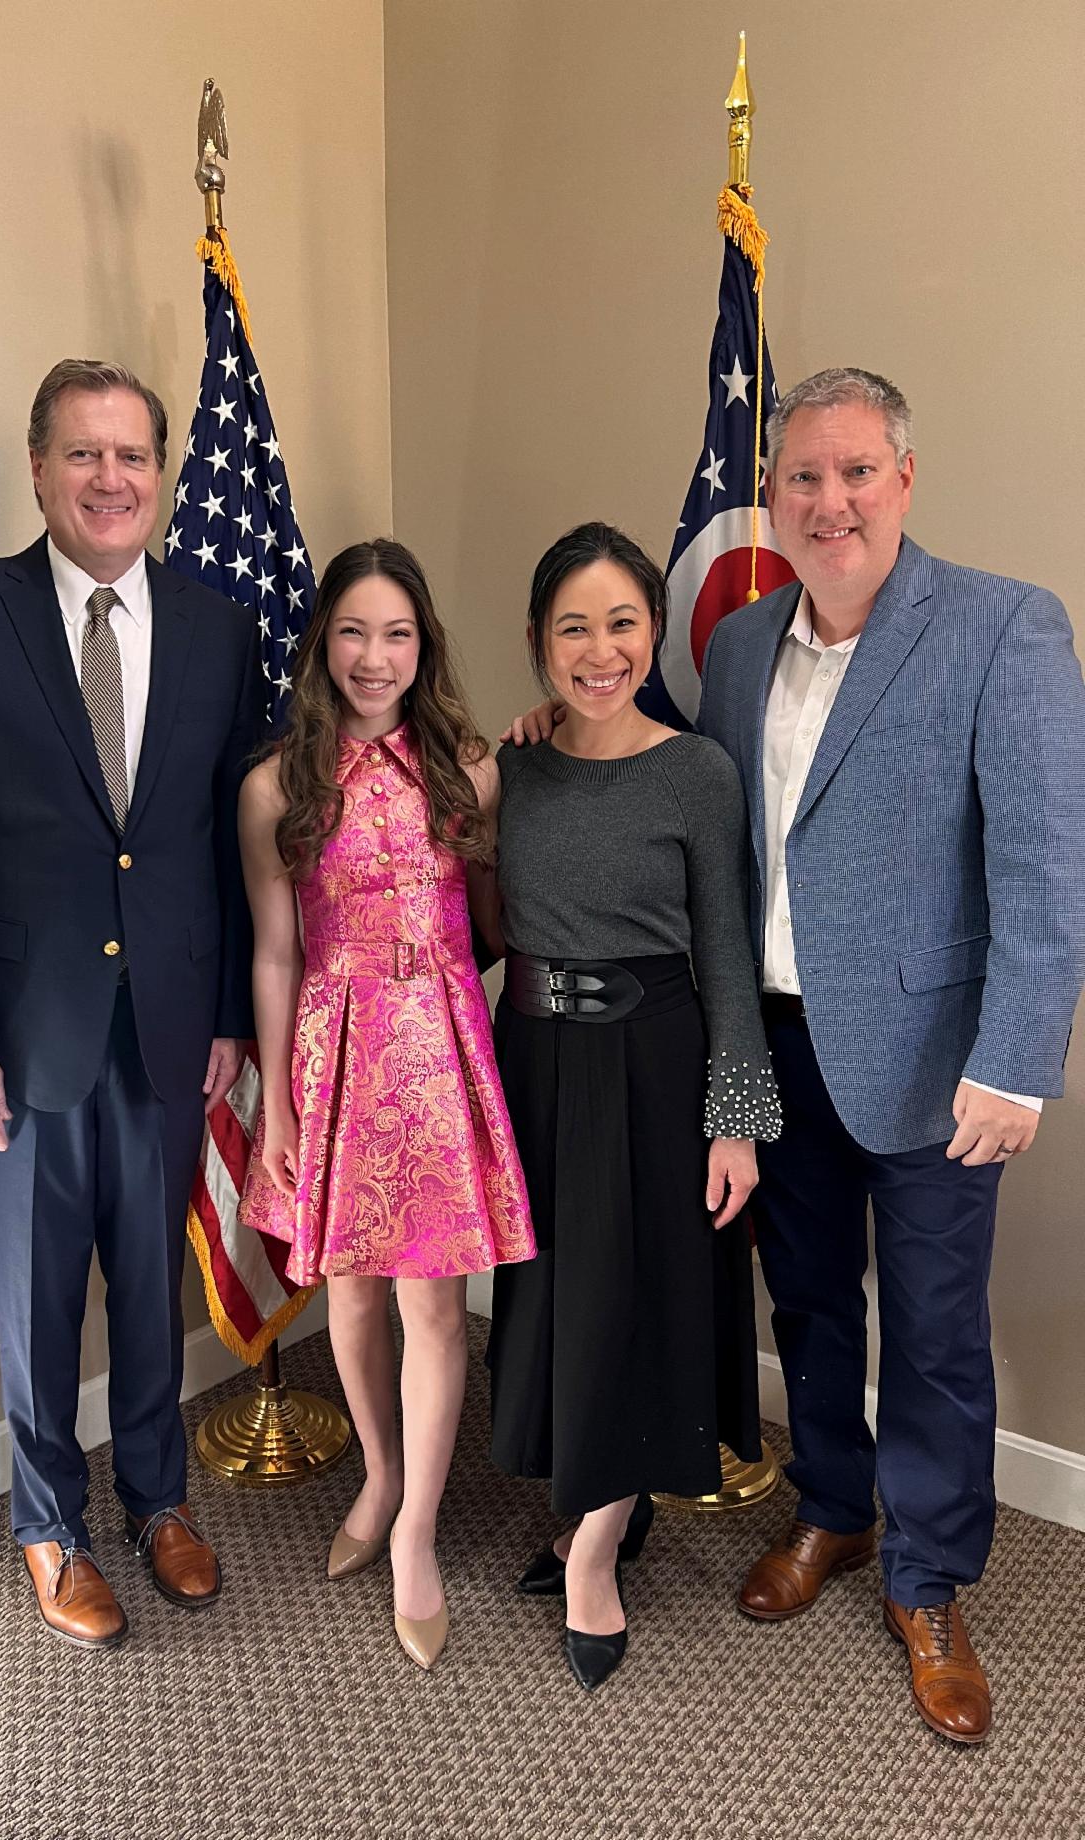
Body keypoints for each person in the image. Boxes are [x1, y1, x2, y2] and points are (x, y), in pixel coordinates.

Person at [508, 370, 1085, 1740]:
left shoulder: (1004, 628)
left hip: (938, 1062)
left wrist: (1017, 1062)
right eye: (804, 477)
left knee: (936, 1335)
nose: (829, 501)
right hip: (772, 1047)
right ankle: (835, 1510)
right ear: (774, 493)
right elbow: (677, 807)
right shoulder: (747, 641)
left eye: (856, 473)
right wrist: (552, 731)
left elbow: (1048, 868)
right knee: (811, 1305)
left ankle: (931, 1578)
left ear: (903, 478)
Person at [0, 360, 261, 1649]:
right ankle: (50, 1525)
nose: (113, 478)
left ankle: (159, 1498)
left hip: (167, 1027)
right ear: (38, 468)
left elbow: (219, 837)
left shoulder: (218, 627)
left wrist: (226, 1017)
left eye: (133, 456)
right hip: (19, 1037)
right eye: (85, 454)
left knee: (152, 1284)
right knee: (40, 1298)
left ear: (161, 474)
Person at [487, 522, 780, 1692]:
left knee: (627, 1302)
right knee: (555, 1296)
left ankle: (597, 1545)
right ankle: (590, 1496)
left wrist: (737, 1116)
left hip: (655, 1060)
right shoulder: (506, 767)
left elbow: (728, 950)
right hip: (533, 1058)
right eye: (574, 627)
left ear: (655, 632)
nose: (600, 649)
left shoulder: (697, 771)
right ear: (537, 643)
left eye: (622, 623)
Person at [236, 538, 536, 1672]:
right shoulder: (278, 784)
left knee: (434, 1310)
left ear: (425, 645)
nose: (374, 656)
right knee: (351, 1302)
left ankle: (416, 1534)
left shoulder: (470, 766)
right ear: (323, 643)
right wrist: (277, 1110)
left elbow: (504, 921)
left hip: (442, 1049)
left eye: (397, 633)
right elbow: (274, 953)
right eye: (354, 632)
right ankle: (384, 1472)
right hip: (333, 1049)